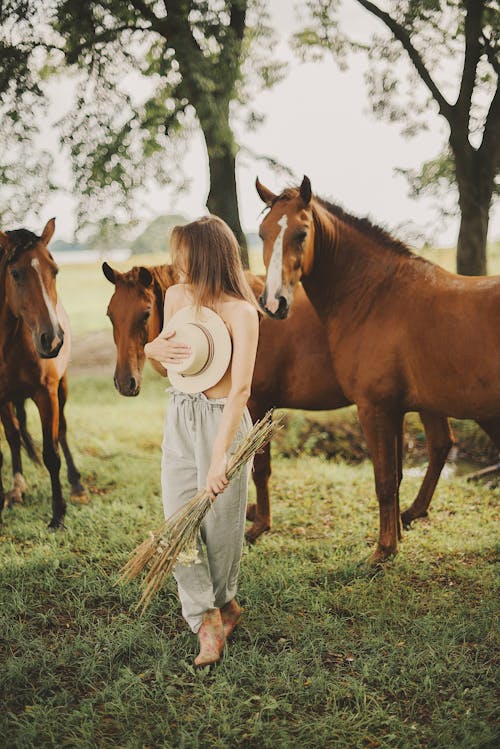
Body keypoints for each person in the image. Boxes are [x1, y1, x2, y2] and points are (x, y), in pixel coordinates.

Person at [144, 215, 259, 666]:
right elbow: (171, 360)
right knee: (179, 523)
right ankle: (206, 617)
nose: (176, 264)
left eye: (184, 254)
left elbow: (241, 391)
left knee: (221, 528)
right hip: (181, 415)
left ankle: (226, 600)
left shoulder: (242, 313)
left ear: (207, 255)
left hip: (224, 423)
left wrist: (219, 459)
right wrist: (152, 348)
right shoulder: (174, 297)